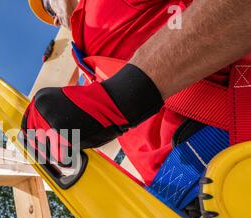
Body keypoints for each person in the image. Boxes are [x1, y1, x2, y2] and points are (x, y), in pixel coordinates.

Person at [23, 0, 251, 184]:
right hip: (188, 195)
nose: (53, 19)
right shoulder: (86, 62)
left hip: (230, 142)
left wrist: (124, 95)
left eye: (48, 5)